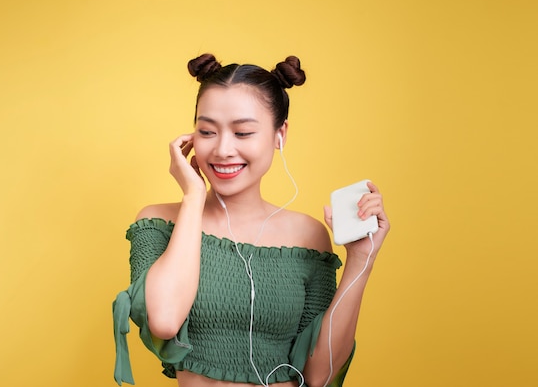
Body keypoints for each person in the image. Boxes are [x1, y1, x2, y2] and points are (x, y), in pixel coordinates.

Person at [112, 54, 390, 387]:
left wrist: (361, 260)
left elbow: (320, 377)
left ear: (279, 134)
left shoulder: (307, 236)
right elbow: (164, 322)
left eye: (243, 133)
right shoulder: (158, 222)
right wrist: (193, 197)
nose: (222, 149)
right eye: (207, 131)